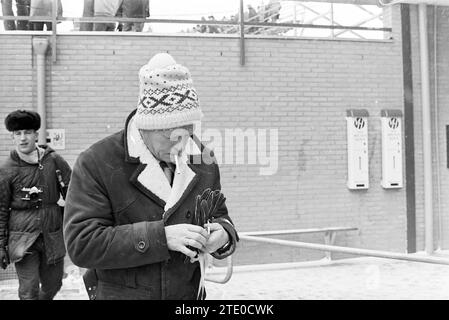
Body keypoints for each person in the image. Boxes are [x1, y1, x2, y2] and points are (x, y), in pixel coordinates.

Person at [63, 52, 239, 300]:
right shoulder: (96, 162)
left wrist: (222, 234)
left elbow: (220, 215)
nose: (180, 145)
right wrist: (160, 237)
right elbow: (82, 244)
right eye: (169, 136)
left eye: (187, 132)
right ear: (145, 126)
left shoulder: (202, 159)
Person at [0, 110, 71, 300]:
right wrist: (1, 244)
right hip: (22, 237)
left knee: (54, 284)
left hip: (51, 234)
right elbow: (1, 210)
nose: (23, 138)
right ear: (13, 136)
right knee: (29, 289)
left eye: (27, 132)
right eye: (18, 134)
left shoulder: (53, 160)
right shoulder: (7, 169)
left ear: (36, 135)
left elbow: (73, 193)